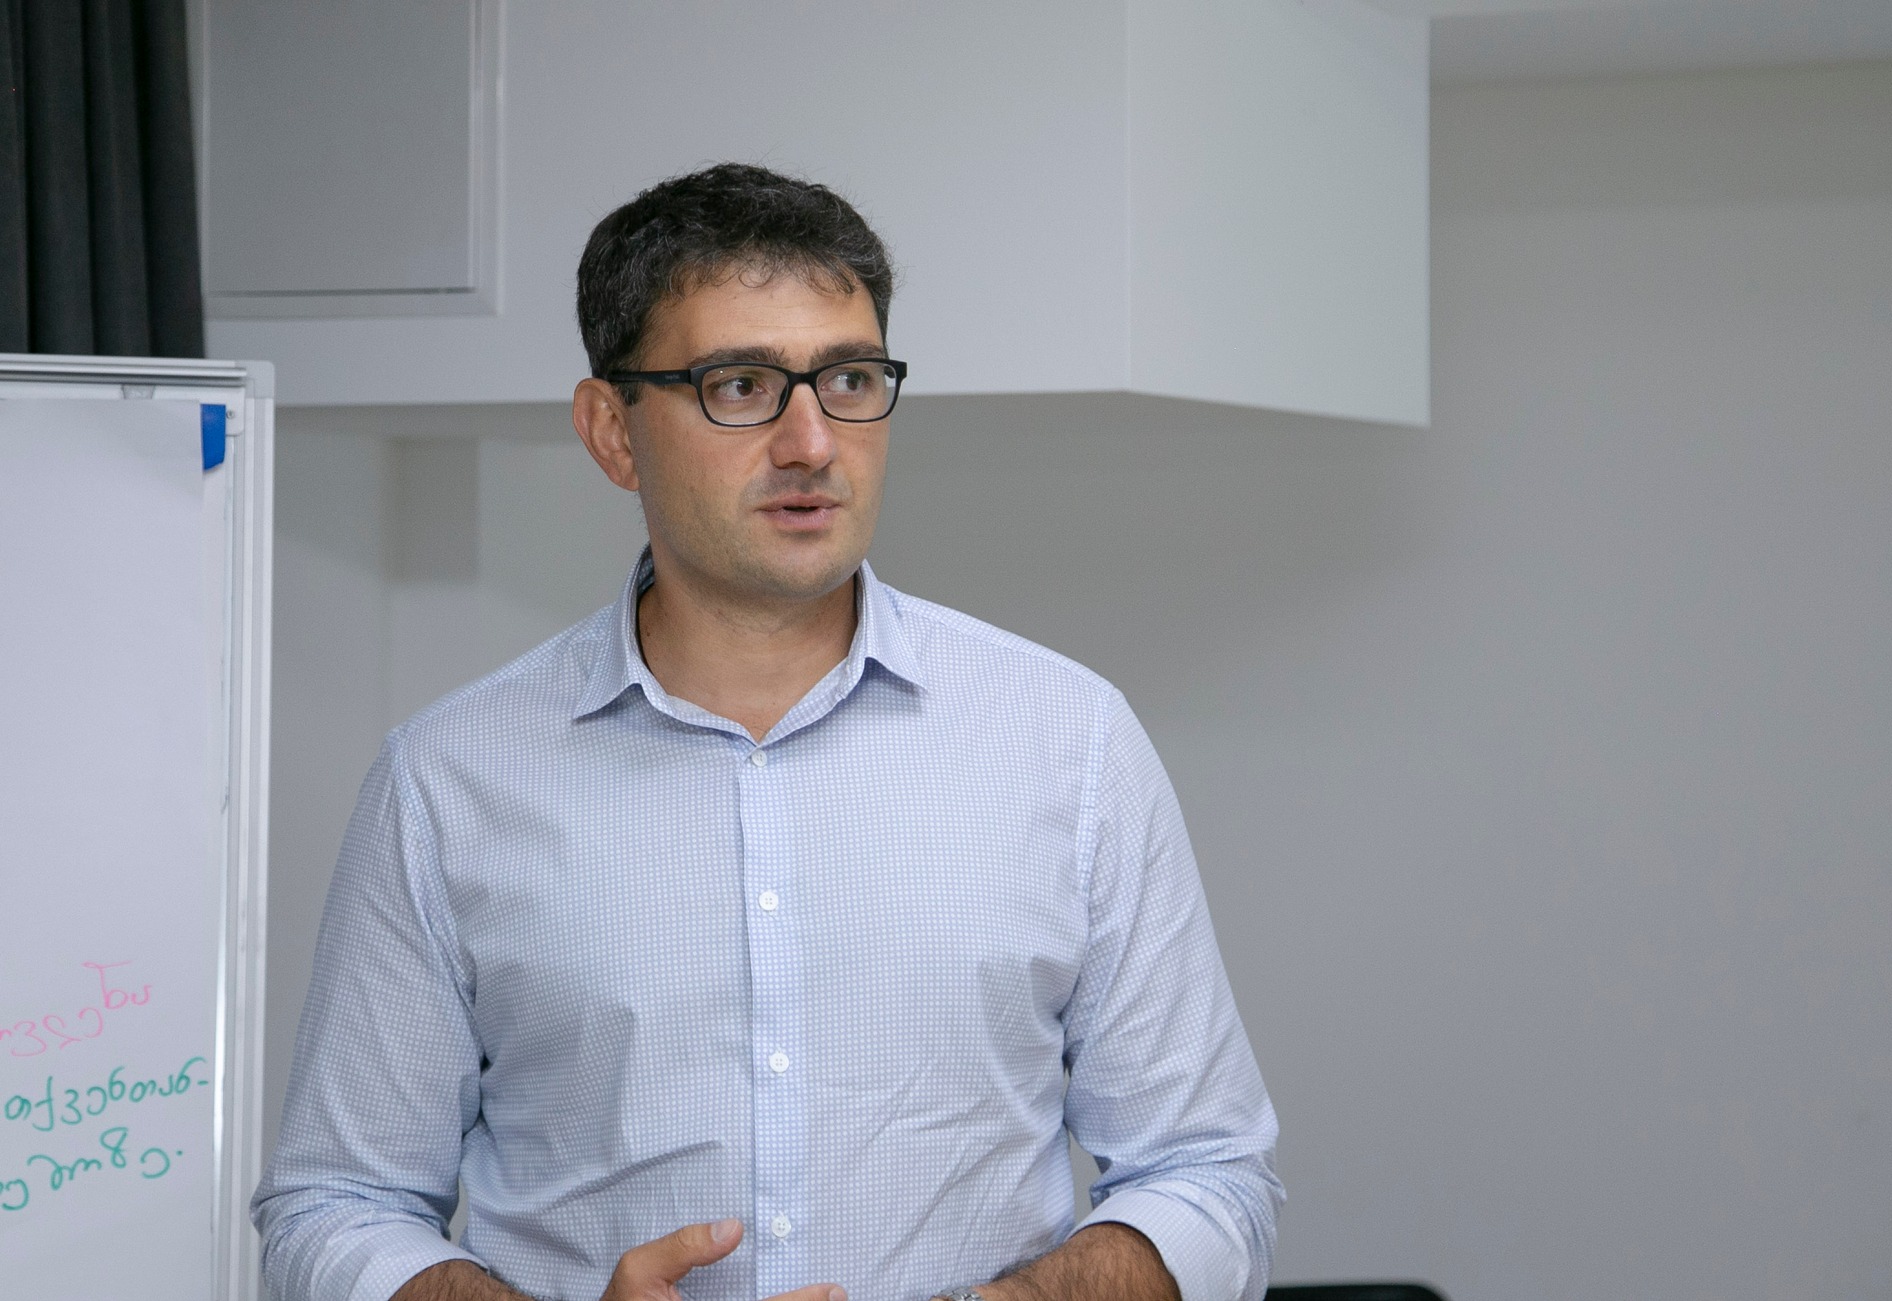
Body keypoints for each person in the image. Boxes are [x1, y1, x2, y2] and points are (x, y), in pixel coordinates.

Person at [253, 163, 1281, 1301]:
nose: (811, 441)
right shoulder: (448, 779)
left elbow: (1208, 1171)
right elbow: (334, 1206)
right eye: (740, 385)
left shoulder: (1068, 741)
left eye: (848, 379)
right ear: (612, 431)